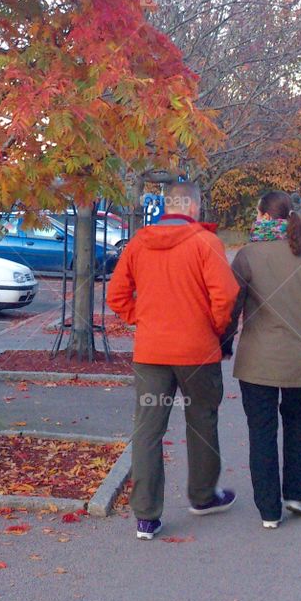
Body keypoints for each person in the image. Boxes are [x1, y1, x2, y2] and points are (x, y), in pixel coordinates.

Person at [107, 183, 241, 540]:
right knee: (202, 422)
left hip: (151, 352)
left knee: (148, 430)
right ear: (194, 207)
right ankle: (202, 495)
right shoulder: (205, 243)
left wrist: (143, 318)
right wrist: (211, 328)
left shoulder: (137, 243)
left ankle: (146, 516)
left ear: (166, 206)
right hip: (197, 352)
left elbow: (116, 295)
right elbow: (226, 296)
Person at [226, 190, 301, 529]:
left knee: (261, 433)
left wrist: (224, 344)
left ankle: (268, 511)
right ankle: (296, 495)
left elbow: (231, 307)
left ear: (262, 216)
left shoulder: (247, 256)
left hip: (256, 364)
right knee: (298, 428)